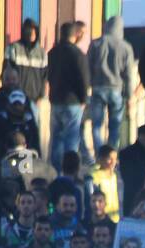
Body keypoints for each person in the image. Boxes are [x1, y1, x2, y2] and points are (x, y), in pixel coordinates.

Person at [87, 13, 135, 152]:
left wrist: (89, 86)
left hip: (97, 88)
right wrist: (130, 96)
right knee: (114, 126)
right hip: (116, 90)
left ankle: (99, 154)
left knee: (96, 125)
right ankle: (111, 156)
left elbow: (88, 67)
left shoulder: (96, 43)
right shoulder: (126, 47)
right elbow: (129, 75)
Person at [47, 22, 92, 168]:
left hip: (55, 100)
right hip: (73, 101)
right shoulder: (78, 54)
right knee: (72, 139)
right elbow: (83, 78)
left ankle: (56, 170)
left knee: (57, 138)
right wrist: (84, 99)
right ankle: (69, 170)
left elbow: (49, 75)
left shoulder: (52, 53)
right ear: (75, 35)